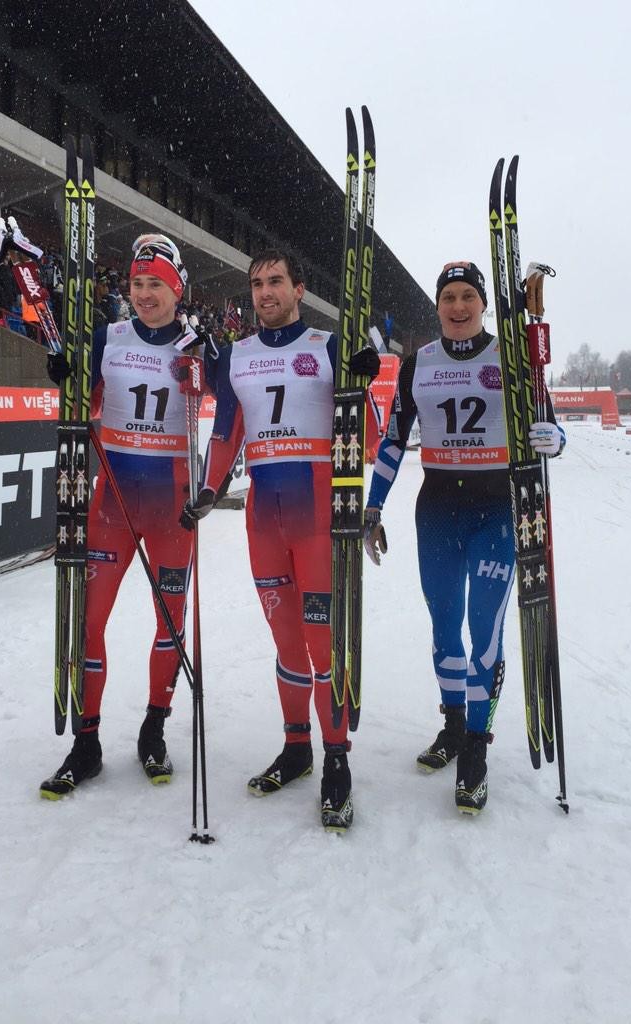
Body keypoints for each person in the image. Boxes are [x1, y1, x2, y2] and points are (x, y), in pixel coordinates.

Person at [180, 248, 381, 831]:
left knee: (323, 648)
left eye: (275, 282)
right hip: (263, 521)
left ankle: (336, 760)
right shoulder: (237, 357)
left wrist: (361, 380)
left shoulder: (325, 346)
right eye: (256, 284)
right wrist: (210, 489)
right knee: (288, 645)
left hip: (318, 519)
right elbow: (226, 433)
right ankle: (297, 748)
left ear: (298, 287)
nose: (264, 293)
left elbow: (366, 438)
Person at [363, 261, 566, 815]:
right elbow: (391, 441)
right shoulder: (417, 365)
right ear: (438, 305)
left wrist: (553, 438)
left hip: (496, 511)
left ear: (482, 304)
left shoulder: (512, 357)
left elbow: (547, 423)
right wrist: (373, 504)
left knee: (485, 633)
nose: (457, 307)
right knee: (444, 626)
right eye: (448, 297)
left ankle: (477, 746)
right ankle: (453, 724)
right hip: (437, 510)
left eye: (467, 297)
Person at [39, 233, 204, 799]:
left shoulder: (198, 344)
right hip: (112, 502)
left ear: (176, 288)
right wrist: (65, 370)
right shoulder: (105, 338)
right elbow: (78, 395)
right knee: (89, 621)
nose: (144, 294)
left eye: (156, 283)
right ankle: (86, 743)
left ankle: (154, 728)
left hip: (170, 510)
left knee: (170, 624)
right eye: (136, 283)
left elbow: (255, 391)